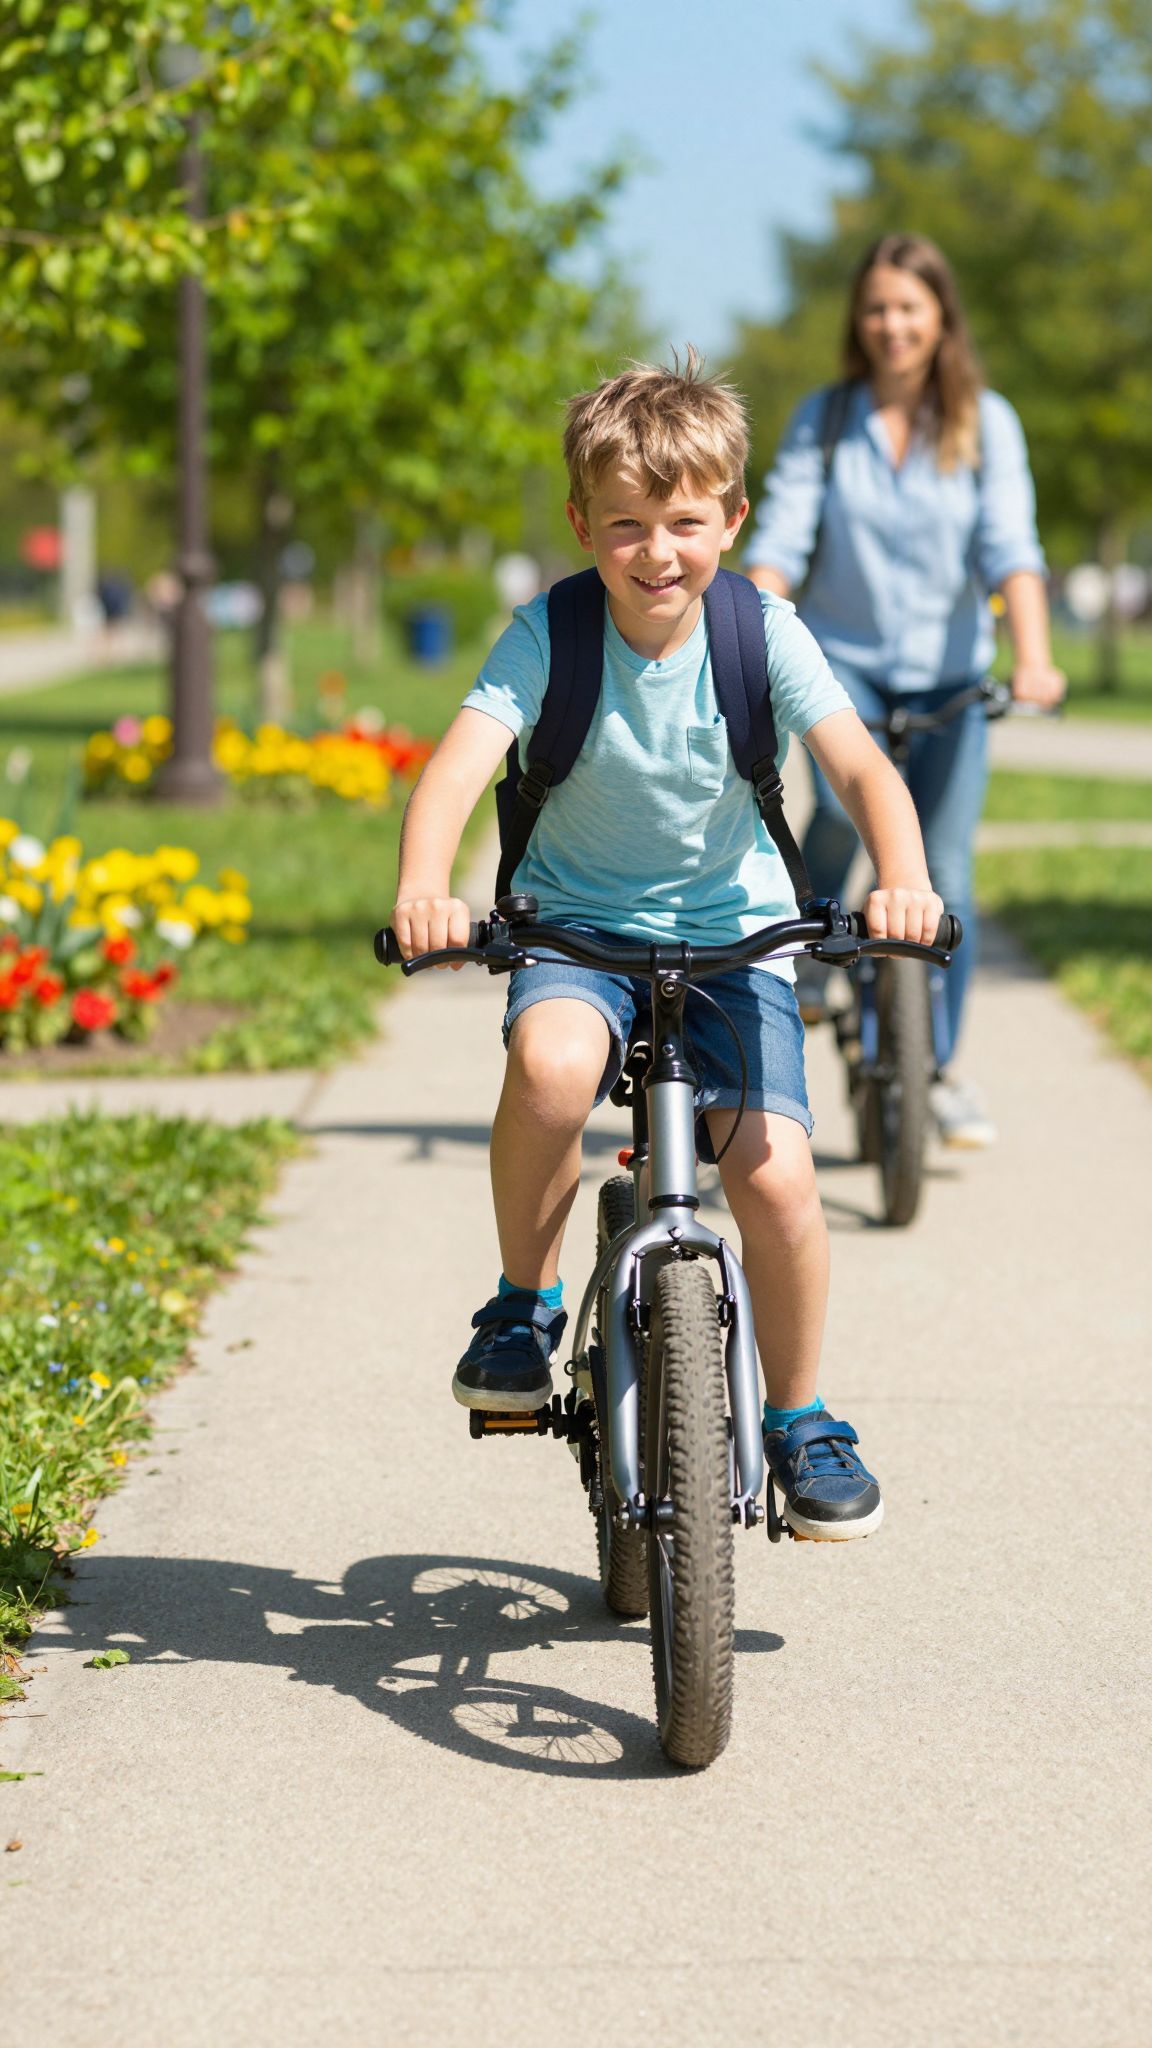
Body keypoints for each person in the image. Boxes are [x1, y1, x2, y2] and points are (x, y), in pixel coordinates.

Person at [391, 354, 945, 1540]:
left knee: (776, 1178)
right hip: (575, 927)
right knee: (549, 1071)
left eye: (686, 523)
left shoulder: (761, 631)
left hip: (736, 935)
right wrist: (423, 890)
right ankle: (522, 1301)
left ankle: (800, 1414)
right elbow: (456, 766)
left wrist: (902, 877)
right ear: (582, 524)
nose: (658, 553)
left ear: (732, 518)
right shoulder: (551, 632)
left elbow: (858, 764)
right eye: (627, 525)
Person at [744, 232, 1065, 1149]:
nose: (892, 325)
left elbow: (1010, 546)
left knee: (944, 872)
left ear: (940, 317)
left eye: (910, 308)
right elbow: (783, 538)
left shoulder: (984, 420)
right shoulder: (826, 418)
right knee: (843, 820)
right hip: (842, 663)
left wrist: (1034, 655)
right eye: (877, 308)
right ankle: (807, 952)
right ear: (859, 319)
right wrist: (746, 634)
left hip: (952, 677)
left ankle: (936, 1067)